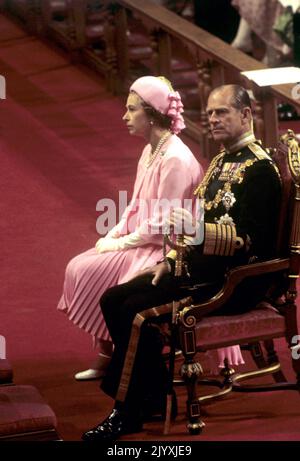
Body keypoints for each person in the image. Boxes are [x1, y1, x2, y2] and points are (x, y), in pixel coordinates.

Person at [82, 84, 282, 441]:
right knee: (114, 299)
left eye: (222, 112)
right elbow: (192, 225)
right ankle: (155, 394)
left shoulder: (261, 171)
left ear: (247, 115)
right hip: (197, 271)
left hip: (233, 282)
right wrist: (171, 259)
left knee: (138, 315)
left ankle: (128, 411)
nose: (213, 119)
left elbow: (249, 242)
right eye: (209, 114)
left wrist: (196, 231)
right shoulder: (221, 160)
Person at [57, 75, 203, 379]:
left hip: (163, 250)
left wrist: (121, 244)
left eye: (132, 109)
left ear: (151, 114)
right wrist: (113, 233)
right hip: (141, 241)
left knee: (91, 274)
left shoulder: (175, 157)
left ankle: (119, 358)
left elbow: (163, 223)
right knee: (79, 265)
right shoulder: (151, 150)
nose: (125, 116)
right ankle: (107, 353)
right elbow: (136, 204)